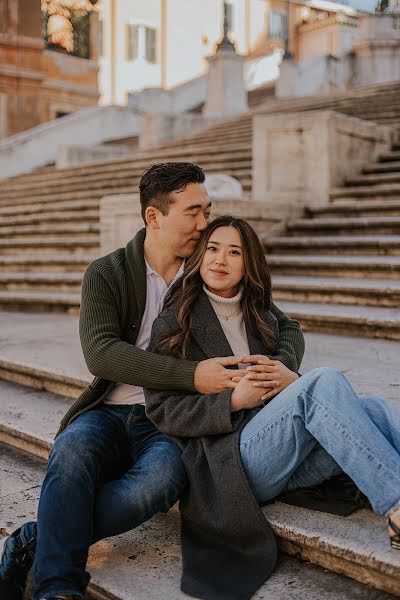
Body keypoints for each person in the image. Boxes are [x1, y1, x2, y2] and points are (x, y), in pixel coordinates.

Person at [0, 163, 305, 600]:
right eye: (194, 213)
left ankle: (34, 536)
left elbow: (286, 326)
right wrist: (193, 375)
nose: (205, 224)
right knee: (69, 458)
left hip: (170, 420)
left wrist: (280, 367)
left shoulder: (207, 271)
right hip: (108, 410)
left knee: (156, 484)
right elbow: (101, 353)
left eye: (208, 211)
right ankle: (59, 590)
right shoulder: (106, 273)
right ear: (154, 217)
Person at [144, 215, 400, 600]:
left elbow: (288, 358)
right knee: (322, 382)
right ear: (198, 256)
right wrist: (231, 401)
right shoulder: (174, 322)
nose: (220, 260)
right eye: (212, 249)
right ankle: (397, 508)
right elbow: (162, 411)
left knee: (376, 409)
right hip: (231, 464)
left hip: (282, 454)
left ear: (249, 264)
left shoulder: (261, 315)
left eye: (234, 252)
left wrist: (287, 380)